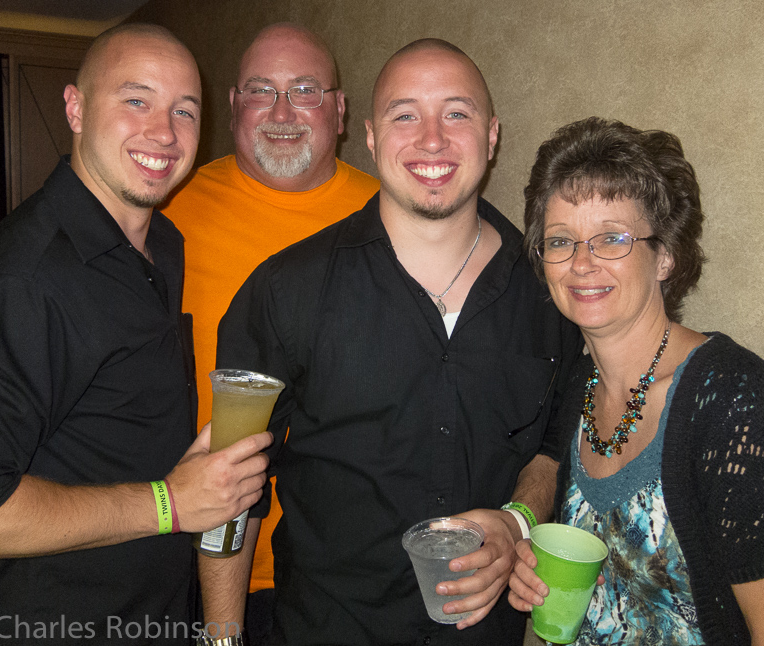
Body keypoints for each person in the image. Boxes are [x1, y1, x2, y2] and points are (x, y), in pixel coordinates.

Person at [200, 39, 583, 646]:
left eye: (456, 113)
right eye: (406, 114)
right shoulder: (284, 291)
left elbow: (555, 439)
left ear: (492, 136)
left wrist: (520, 520)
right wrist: (221, 640)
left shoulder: (552, 289)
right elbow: (227, 493)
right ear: (373, 138)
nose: (432, 139)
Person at [0, 23, 271, 645]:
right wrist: (170, 503)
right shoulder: (23, 279)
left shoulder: (162, 243)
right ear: (75, 108)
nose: (164, 132)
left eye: (184, 110)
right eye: (136, 100)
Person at [507, 117, 764, 645]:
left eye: (612, 239)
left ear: (665, 254)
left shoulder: (732, 400)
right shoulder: (580, 381)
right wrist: (528, 563)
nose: (582, 263)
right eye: (561, 241)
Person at [161, 22, 379, 639]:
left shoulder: (388, 221)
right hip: (181, 553)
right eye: (261, 90)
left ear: (339, 111)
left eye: (306, 90)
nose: (282, 112)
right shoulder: (169, 210)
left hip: (329, 572)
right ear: (232, 107)